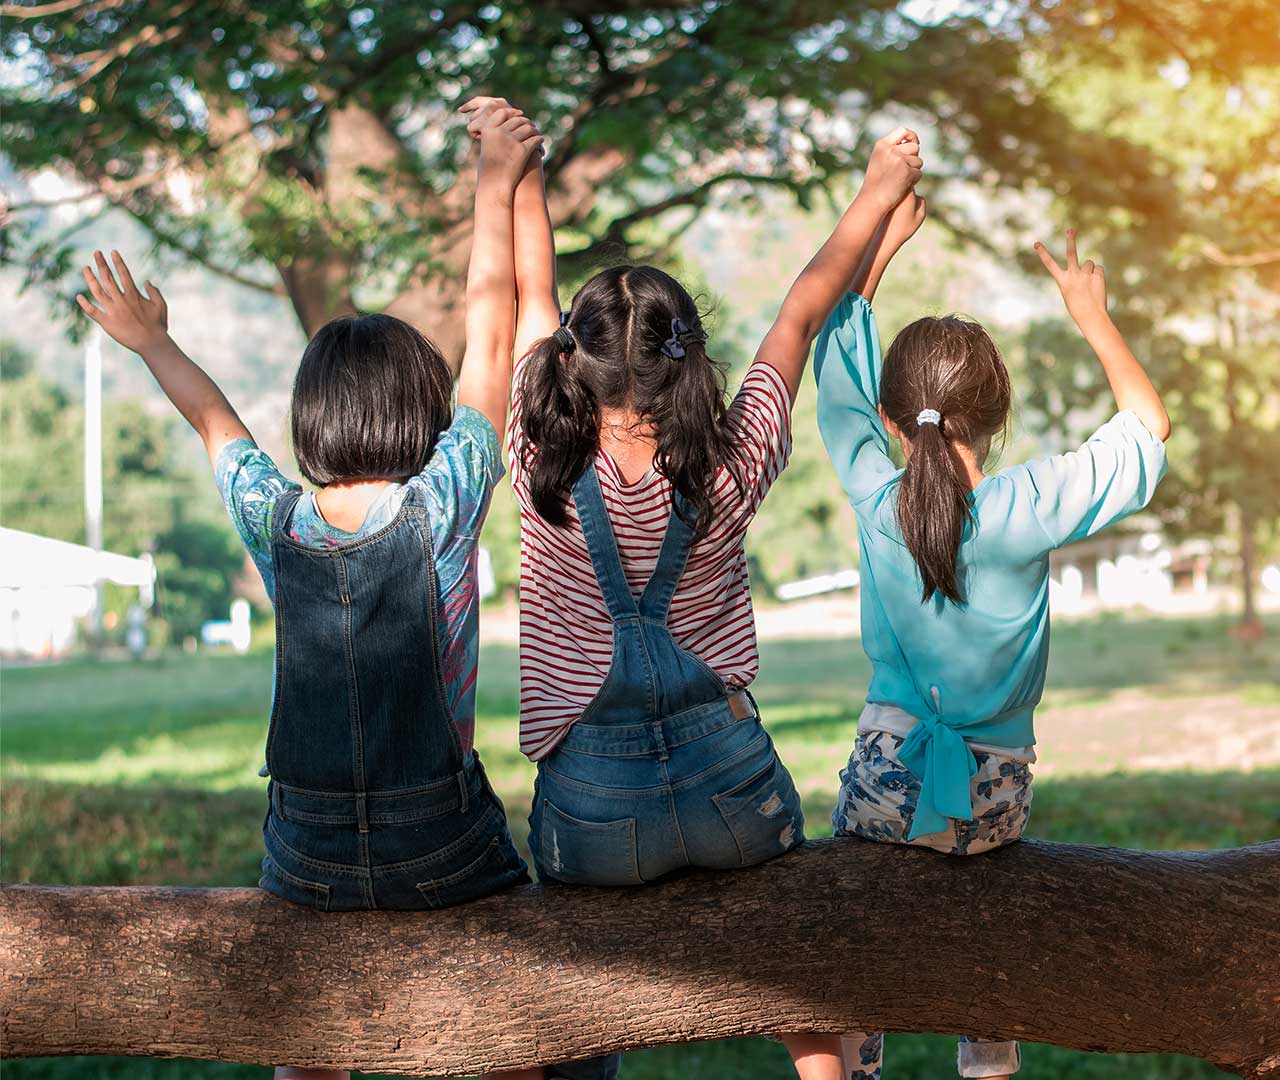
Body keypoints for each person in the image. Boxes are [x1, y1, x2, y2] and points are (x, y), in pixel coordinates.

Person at [77, 104, 547, 1080]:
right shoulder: (446, 498)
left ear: (312, 418)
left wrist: (151, 341)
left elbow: (213, 419)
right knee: (516, 1017)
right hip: (440, 840)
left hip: (308, 851)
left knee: (308, 1042)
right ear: (422, 413)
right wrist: (494, 182)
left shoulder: (274, 519)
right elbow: (492, 331)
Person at [468, 90, 924, 1080]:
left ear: (570, 361)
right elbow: (802, 309)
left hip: (592, 814)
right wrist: (877, 188)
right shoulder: (733, 456)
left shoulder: (537, 452)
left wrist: (521, 171)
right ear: (687, 360)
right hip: (735, 795)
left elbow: (528, 286)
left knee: (569, 984)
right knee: (797, 980)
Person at [814, 203, 1171, 1080]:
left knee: (853, 940)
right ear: (997, 415)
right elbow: (1147, 427)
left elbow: (834, 377)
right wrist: (1091, 315)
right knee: (984, 920)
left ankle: (856, 1064)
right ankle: (988, 1059)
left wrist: (878, 254)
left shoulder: (876, 497)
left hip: (887, 782)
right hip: (995, 798)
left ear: (893, 420)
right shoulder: (1030, 504)